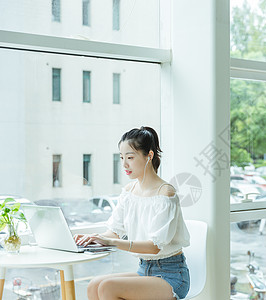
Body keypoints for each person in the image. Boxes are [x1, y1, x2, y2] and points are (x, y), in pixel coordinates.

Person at [74, 126, 190, 300]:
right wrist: (92, 238)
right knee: (94, 285)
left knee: (108, 287)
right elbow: (114, 231)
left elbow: (154, 246)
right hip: (144, 270)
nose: (124, 164)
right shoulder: (129, 192)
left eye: (130, 157)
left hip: (171, 275)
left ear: (149, 156)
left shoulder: (166, 193)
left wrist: (111, 241)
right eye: (122, 158)